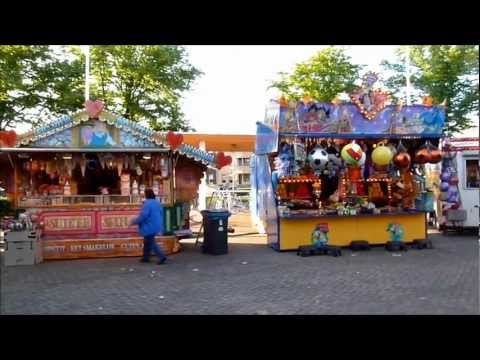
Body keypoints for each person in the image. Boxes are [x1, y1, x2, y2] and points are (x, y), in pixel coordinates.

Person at [131, 188, 167, 264]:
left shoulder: (147, 204)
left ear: (146, 195)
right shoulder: (157, 203)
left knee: (150, 241)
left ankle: (161, 256)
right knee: (147, 241)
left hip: (149, 225)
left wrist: (134, 221)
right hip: (156, 224)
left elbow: (143, 216)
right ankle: (145, 257)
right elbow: (161, 213)